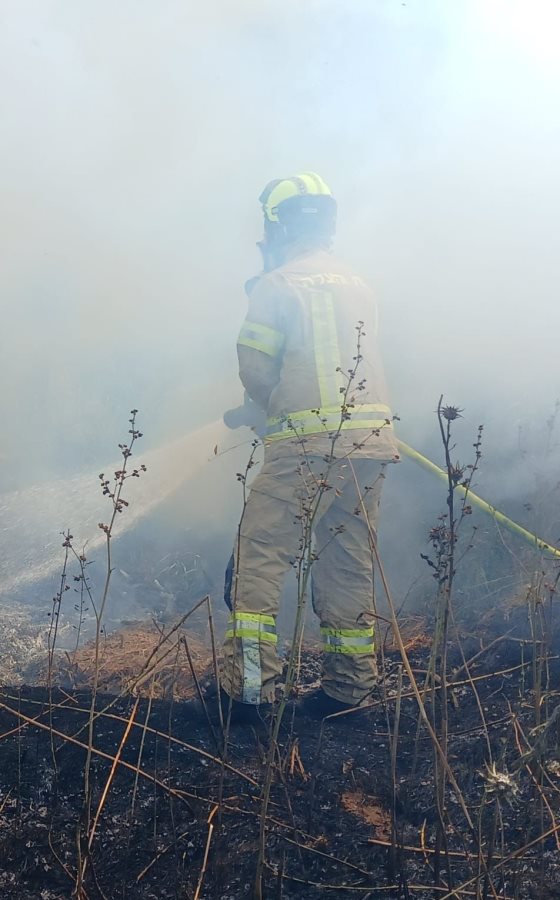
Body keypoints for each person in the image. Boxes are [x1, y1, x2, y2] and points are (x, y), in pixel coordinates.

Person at [216, 173, 398, 722]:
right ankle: (350, 689)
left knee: (260, 558)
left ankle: (247, 695)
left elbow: (255, 369)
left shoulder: (277, 286)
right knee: (347, 559)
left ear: (277, 226)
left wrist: (265, 405)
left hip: (305, 445)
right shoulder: (358, 283)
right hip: (368, 445)